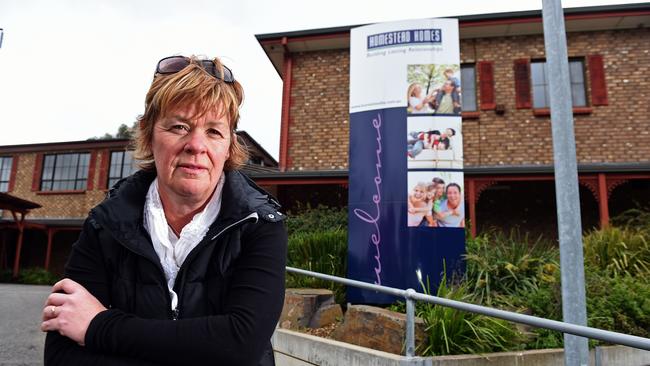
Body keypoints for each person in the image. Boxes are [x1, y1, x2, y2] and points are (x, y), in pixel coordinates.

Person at [41, 55, 287, 366]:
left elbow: (241, 345)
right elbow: (63, 356)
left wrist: (98, 326)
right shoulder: (105, 225)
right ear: (148, 133)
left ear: (229, 147)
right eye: (179, 126)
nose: (196, 145)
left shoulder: (259, 225)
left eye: (213, 131)